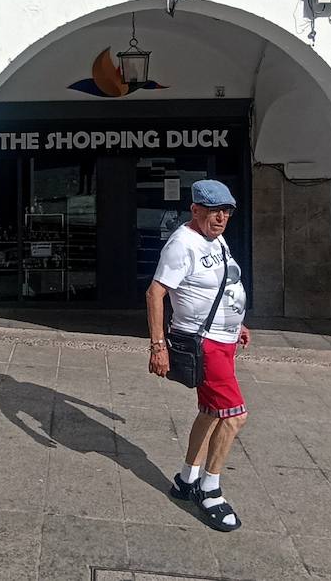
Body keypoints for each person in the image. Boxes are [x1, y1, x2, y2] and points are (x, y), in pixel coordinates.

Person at [146, 179, 250, 533]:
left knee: (210, 411)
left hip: (224, 339)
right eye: (214, 211)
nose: (221, 218)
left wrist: (238, 322)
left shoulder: (214, 237)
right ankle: (210, 490)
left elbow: (224, 284)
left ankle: (186, 478)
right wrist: (158, 346)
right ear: (195, 210)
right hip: (202, 343)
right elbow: (155, 293)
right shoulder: (182, 244)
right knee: (235, 416)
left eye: (227, 211)